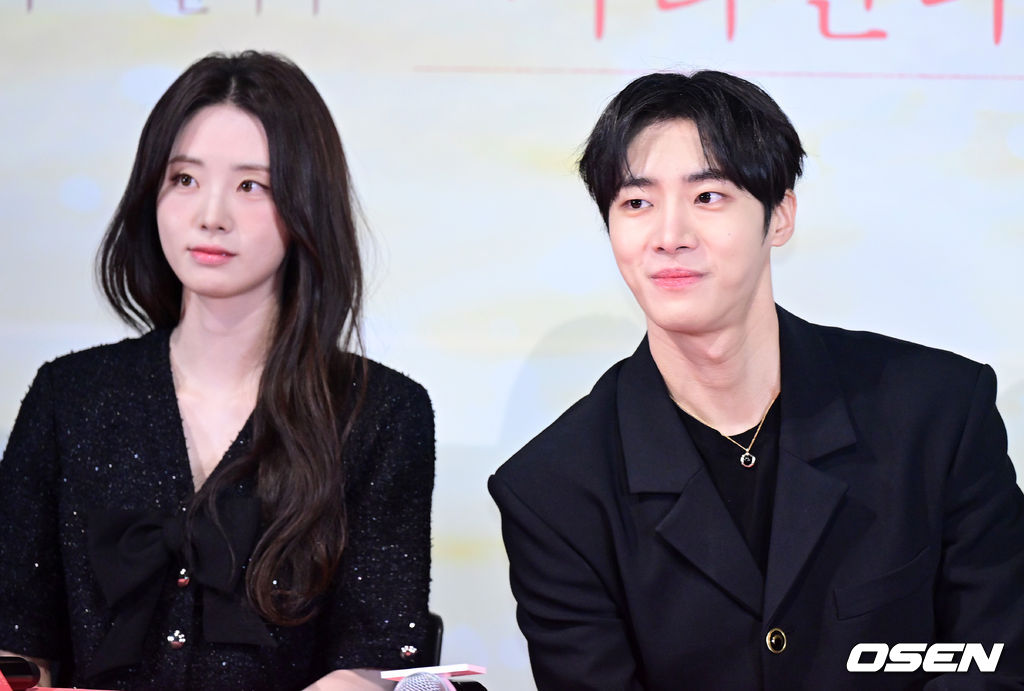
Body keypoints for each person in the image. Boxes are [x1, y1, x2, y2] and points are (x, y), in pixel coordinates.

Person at [488, 71, 1024, 689]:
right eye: (636, 203)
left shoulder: (938, 412)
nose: (669, 237)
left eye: (708, 196)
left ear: (780, 216)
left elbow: (997, 662)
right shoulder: (553, 491)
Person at [0, 51, 435, 691]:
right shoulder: (69, 398)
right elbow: (17, 639)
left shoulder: (380, 412)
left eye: (250, 186)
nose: (211, 215)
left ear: (306, 202)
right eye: (184, 179)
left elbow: (377, 661)